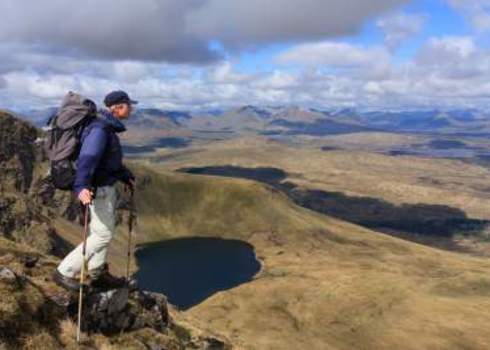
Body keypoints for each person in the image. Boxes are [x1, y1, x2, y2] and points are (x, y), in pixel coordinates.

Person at [53, 90, 137, 291]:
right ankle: (64, 272)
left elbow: (108, 161)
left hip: (104, 187)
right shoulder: (100, 129)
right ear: (117, 108)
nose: (131, 109)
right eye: (128, 105)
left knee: (101, 230)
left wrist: (125, 175)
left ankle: (97, 272)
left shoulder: (106, 128)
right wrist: (81, 186)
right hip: (99, 189)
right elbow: (89, 158)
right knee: (102, 235)